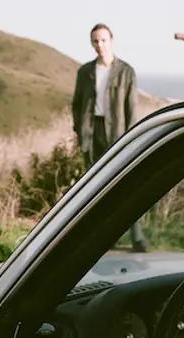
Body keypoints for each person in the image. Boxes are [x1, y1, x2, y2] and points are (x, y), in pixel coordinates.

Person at [72, 23, 149, 252]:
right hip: (91, 133)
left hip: (117, 134)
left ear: (111, 41)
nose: (100, 45)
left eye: (103, 40)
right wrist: (80, 130)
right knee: (96, 188)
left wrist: (131, 139)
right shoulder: (85, 72)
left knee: (126, 185)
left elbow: (131, 109)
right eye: (95, 41)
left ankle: (137, 237)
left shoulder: (126, 71)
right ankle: (107, 237)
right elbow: (77, 104)